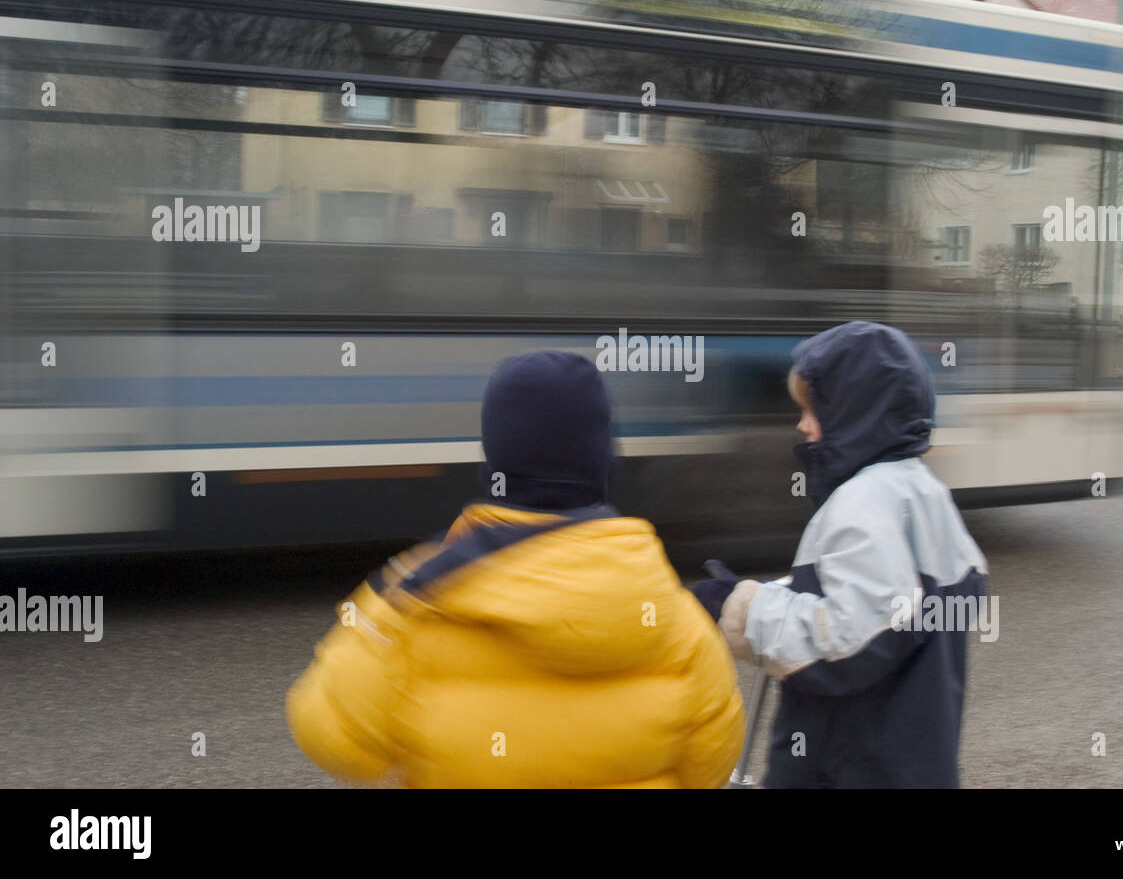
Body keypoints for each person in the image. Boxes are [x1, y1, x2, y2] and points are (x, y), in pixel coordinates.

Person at [287, 350, 745, 788]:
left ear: (494, 460)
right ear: (604, 461)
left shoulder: (419, 602)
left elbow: (331, 737)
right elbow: (710, 767)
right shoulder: (675, 619)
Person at [692, 321, 988, 788]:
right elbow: (887, 600)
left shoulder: (863, 500)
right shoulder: (921, 491)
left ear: (857, 412)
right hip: (912, 760)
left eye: (814, 409)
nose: (801, 424)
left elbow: (854, 641)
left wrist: (743, 609)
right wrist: (774, 594)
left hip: (849, 766)